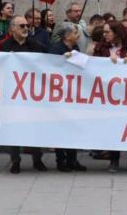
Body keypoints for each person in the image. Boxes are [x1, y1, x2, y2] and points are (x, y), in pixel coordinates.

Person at [0, 15, 48, 174]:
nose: (26, 28)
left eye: (27, 26)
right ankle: (15, 160)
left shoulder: (35, 45)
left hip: (32, 95)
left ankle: (37, 159)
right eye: (22, 26)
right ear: (12, 29)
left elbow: (49, 60)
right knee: (14, 128)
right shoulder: (3, 46)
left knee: (34, 127)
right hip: (12, 95)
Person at [94, 21, 127, 173]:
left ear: (116, 32)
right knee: (113, 127)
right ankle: (114, 160)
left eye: (107, 31)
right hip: (109, 96)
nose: (104, 35)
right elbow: (94, 66)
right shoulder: (101, 48)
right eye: (104, 32)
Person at [48, 23, 87, 172]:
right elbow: (50, 67)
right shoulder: (56, 49)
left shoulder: (75, 48)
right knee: (61, 128)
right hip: (59, 96)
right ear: (67, 36)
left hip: (72, 95)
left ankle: (72, 160)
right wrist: (62, 59)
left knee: (72, 128)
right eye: (75, 33)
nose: (78, 36)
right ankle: (61, 161)